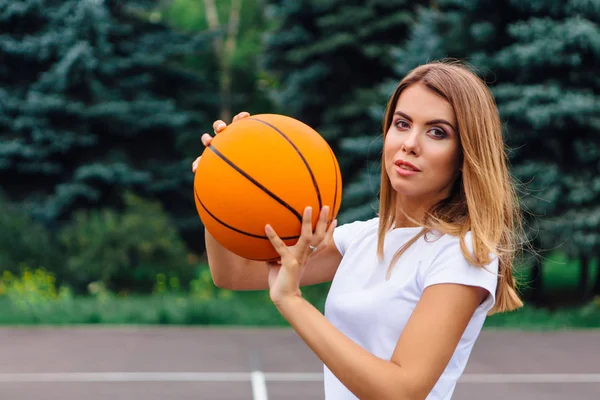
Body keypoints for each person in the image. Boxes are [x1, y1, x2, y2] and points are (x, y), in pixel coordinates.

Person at [191, 60, 524, 400]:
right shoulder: (363, 238)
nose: (410, 143)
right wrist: (218, 187)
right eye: (401, 124)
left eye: (437, 132)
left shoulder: (462, 252)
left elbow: (402, 390)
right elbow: (233, 273)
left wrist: (292, 301)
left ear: (465, 153)